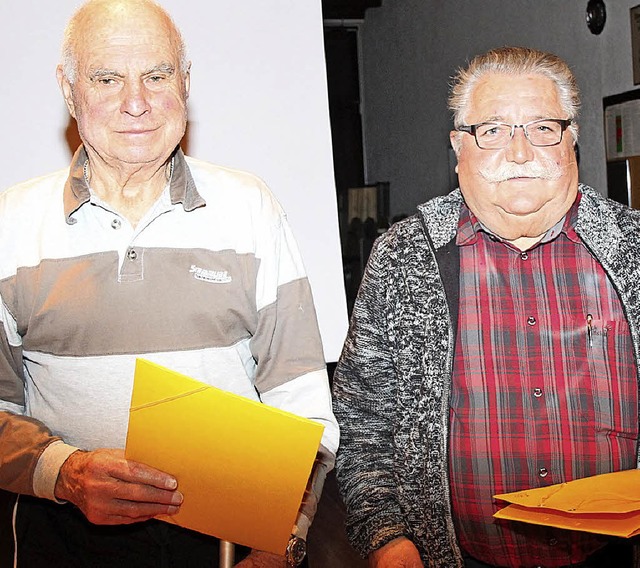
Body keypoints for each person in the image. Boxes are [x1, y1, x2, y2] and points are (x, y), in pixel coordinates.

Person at [0, 0, 339, 566]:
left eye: (156, 76)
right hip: (59, 539)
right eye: (108, 78)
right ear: (69, 89)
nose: (136, 103)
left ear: (185, 82)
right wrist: (66, 472)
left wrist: (286, 534)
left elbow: (301, 404)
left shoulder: (250, 208)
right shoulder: (10, 224)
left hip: (226, 546)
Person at [332, 46, 640, 568]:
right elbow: (363, 424)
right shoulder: (403, 257)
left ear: (572, 139)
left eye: (542, 128)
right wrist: (386, 537)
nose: (519, 153)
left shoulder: (634, 247)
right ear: (458, 147)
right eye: (492, 131)